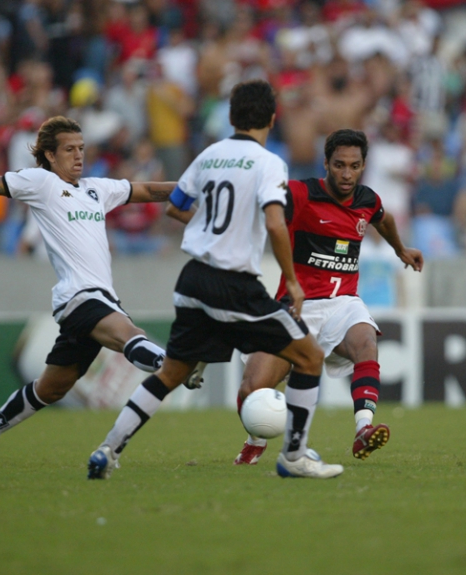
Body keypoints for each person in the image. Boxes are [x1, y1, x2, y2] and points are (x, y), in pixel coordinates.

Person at [87, 80, 343, 480]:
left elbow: (175, 208)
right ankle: (294, 457)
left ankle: (108, 448)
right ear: (273, 119)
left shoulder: (209, 155)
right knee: (309, 357)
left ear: (230, 117)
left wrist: (210, 226)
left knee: (170, 373)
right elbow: (276, 223)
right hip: (233, 282)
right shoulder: (269, 162)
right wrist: (291, 281)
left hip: (192, 280)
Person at [0, 116, 175, 469]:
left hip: (95, 299)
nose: (78, 156)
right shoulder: (41, 182)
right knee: (130, 335)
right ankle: (175, 365)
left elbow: (149, 191)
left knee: (52, 388)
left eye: (81, 149)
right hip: (80, 297)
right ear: (49, 155)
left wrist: (196, 184)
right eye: (69, 150)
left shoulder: (97, 189)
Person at [170, 129, 423, 466]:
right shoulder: (301, 193)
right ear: (325, 164)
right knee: (251, 389)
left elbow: (384, 219)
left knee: (366, 341)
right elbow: (262, 211)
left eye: (354, 166)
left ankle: (364, 428)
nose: (346, 174)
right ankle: (255, 439)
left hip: (343, 304)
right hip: (297, 307)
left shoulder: (367, 200)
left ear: (363, 166)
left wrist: (401, 248)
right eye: (339, 165)